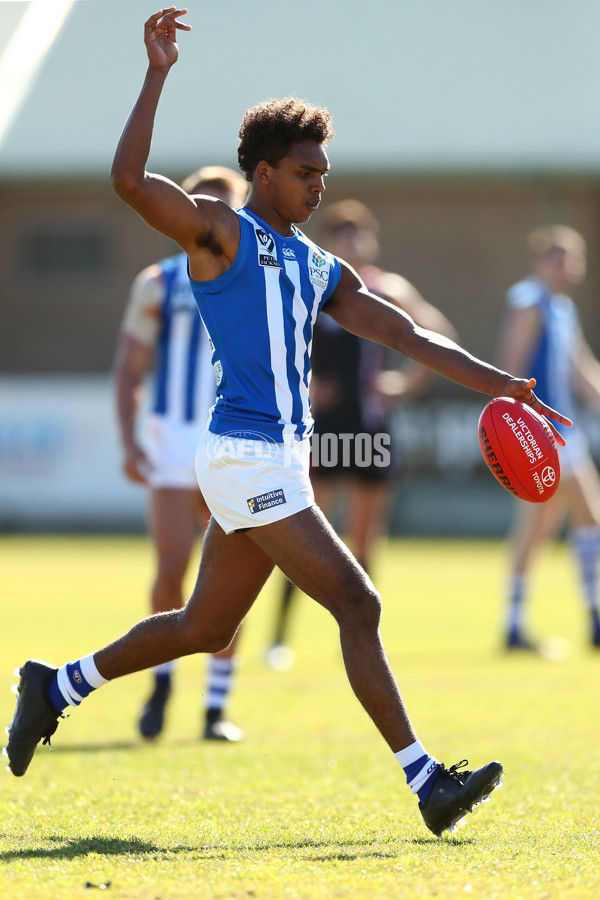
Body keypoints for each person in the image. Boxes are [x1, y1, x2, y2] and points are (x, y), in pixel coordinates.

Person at [5, 8, 572, 838]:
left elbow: (404, 334)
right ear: (264, 173)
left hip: (278, 460)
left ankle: (53, 686)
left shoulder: (319, 266)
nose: (320, 185)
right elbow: (129, 184)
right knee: (358, 601)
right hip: (244, 455)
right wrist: (158, 72)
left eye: (325, 172)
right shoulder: (220, 232)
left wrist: (506, 384)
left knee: (205, 628)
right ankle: (427, 783)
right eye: (308, 172)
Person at [266, 200, 458, 670]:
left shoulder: (386, 288)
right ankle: (279, 638)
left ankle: (356, 635)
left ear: (370, 240)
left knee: (365, 541)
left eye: (358, 234)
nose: (350, 242)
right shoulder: (313, 283)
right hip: (320, 429)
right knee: (305, 535)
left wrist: (405, 385)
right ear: (328, 241)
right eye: (341, 234)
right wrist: (303, 386)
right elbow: (275, 342)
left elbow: (438, 333)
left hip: (369, 427)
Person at [114, 164, 248, 741]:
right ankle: (163, 680)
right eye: (202, 204)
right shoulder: (160, 282)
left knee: (230, 579)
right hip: (173, 440)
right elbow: (131, 369)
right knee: (171, 570)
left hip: (236, 442)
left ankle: (216, 708)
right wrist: (129, 440)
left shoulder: (254, 278)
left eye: (224, 205)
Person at [497, 224, 600, 651]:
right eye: (558, 255)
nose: (566, 264)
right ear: (542, 260)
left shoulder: (562, 307)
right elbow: (509, 370)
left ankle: (519, 623)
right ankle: (586, 619)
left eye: (571, 256)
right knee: (580, 520)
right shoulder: (529, 302)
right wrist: (523, 433)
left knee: (552, 526)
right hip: (543, 434)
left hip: (562, 431)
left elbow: (581, 368)